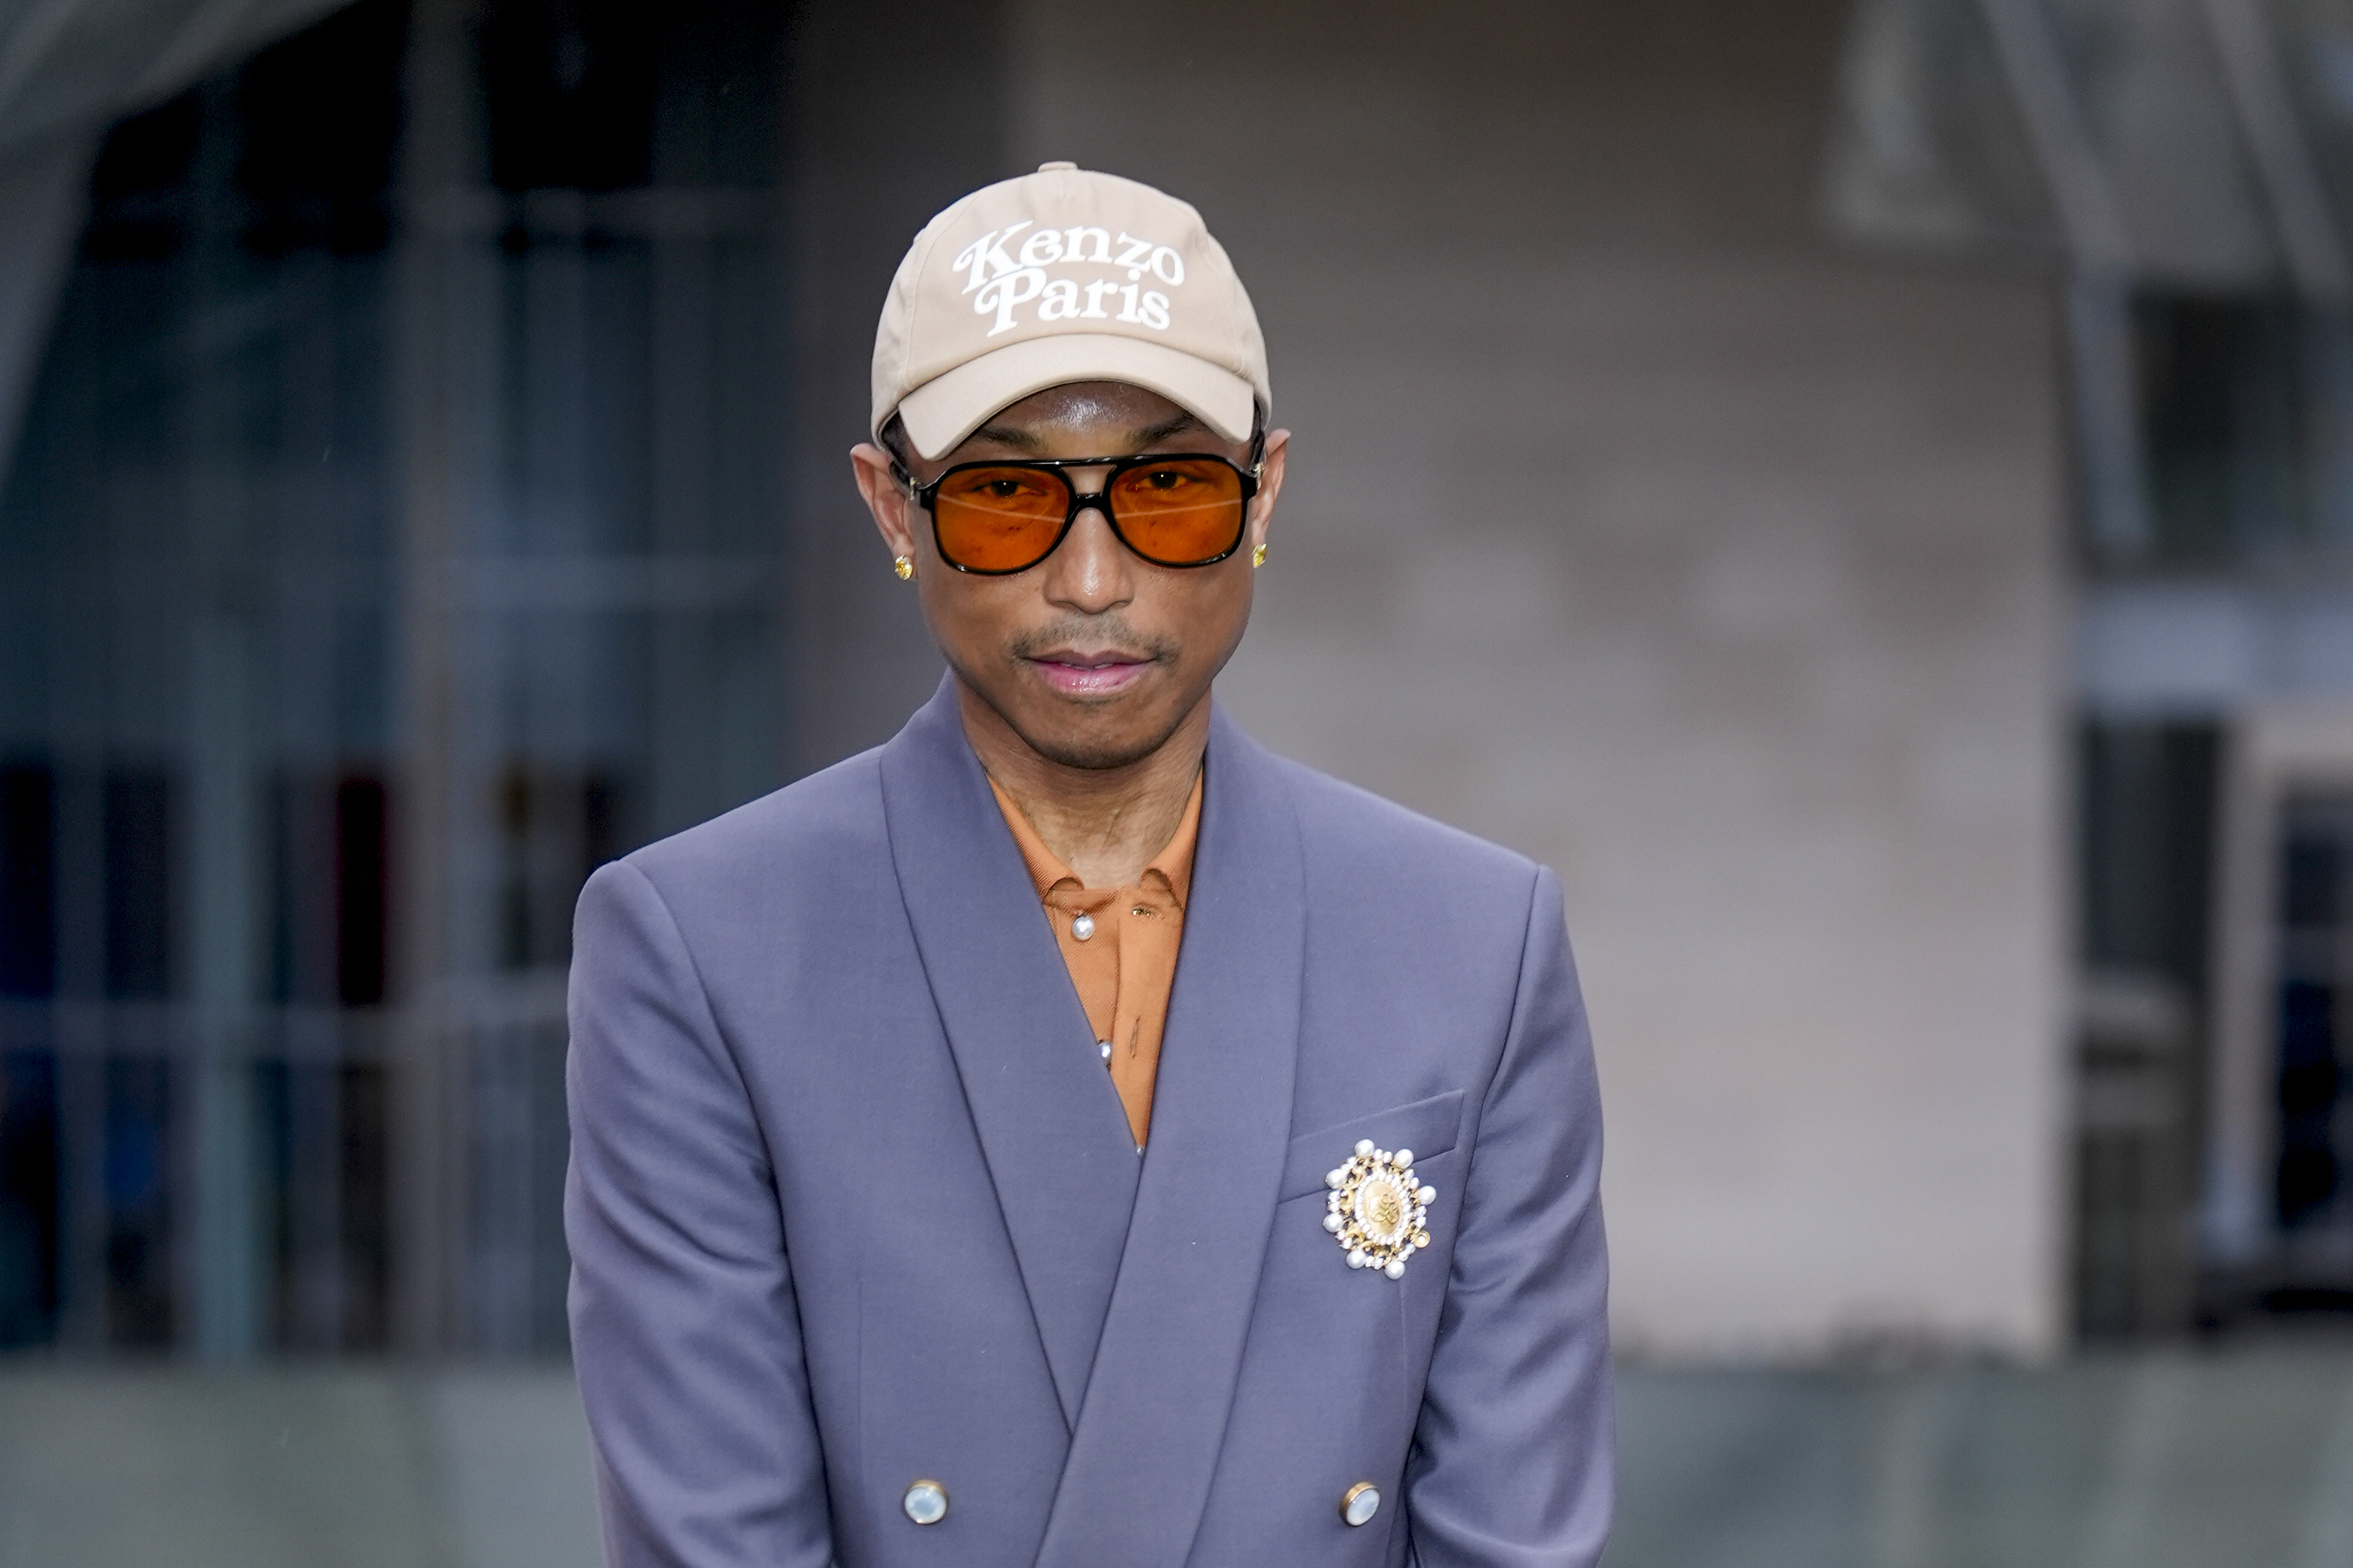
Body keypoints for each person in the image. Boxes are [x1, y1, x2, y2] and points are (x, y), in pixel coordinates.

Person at [564, 162, 1613, 1568]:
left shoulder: (1473, 944)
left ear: (1264, 496)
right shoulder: (704, 949)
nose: (1094, 580)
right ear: (892, 509)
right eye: (1006, 498)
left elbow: (1514, 1533)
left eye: (1169, 491)